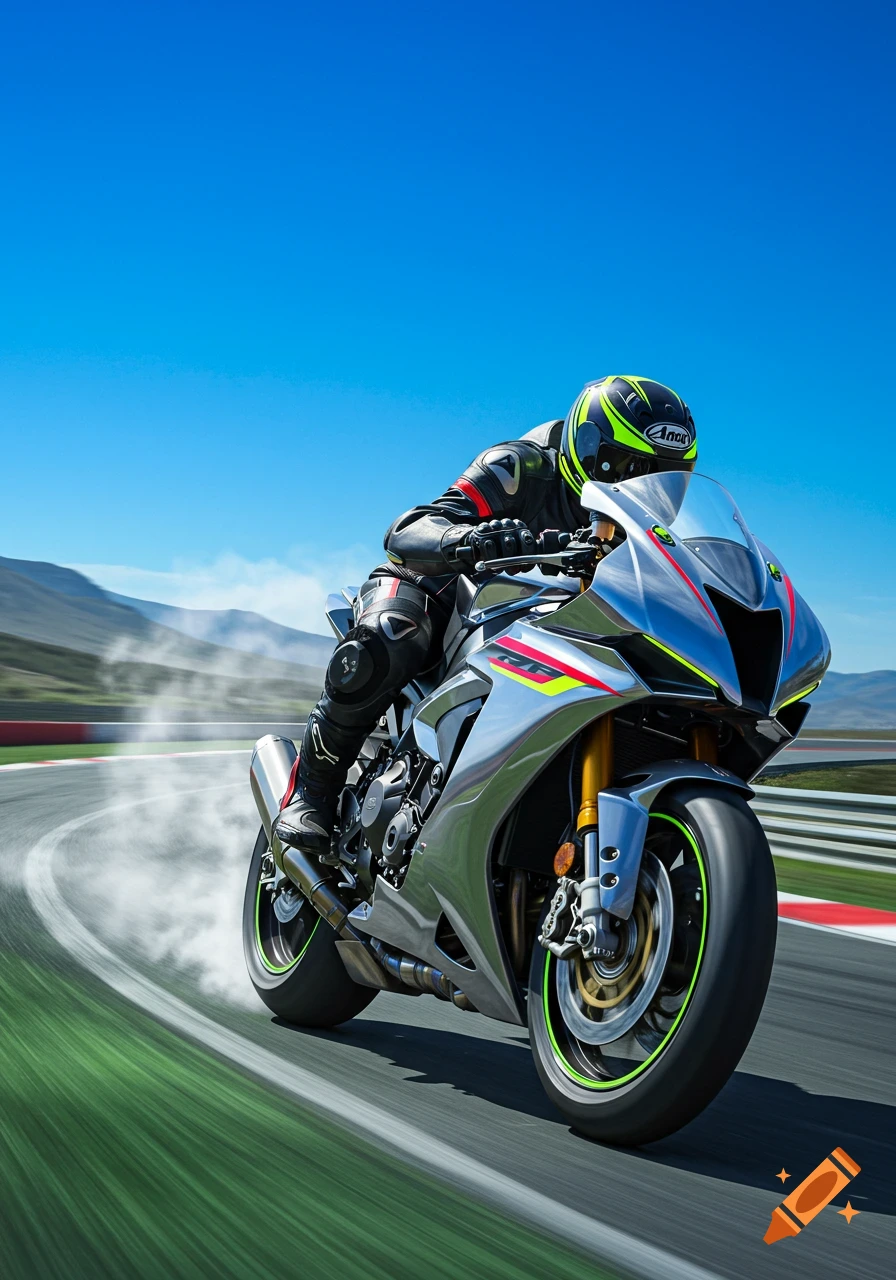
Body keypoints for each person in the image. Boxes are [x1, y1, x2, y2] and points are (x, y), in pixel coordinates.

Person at [275, 375, 697, 856]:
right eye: (627, 468)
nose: (638, 488)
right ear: (588, 447)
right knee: (386, 639)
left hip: (550, 627)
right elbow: (409, 529)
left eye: (662, 478)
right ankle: (311, 791)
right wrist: (467, 539)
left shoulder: (645, 535)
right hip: (439, 585)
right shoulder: (520, 466)